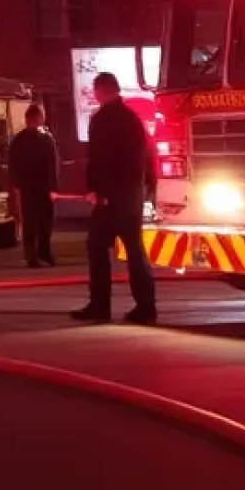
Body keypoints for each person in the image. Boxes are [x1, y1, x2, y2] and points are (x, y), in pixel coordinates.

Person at [72, 72, 157, 325]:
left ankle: (100, 304)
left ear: (101, 91)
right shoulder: (133, 119)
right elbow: (147, 155)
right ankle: (146, 305)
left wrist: (96, 191)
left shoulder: (102, 120)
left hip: (110, 197)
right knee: (134, 250)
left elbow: (99, 159)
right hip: (133, 194)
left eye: (95, 91)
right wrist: (147, 187)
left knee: (97, 247)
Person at [7, 103, 59, 267]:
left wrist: (53, 187)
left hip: (39, 187)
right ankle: (33, 256)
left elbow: (53, 164)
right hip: (30, 188)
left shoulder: (45, 138)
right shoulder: (24, 140)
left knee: (45, 222)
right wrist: (18, 185)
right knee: (31, 223)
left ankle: (44, 253)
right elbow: (13, 165)